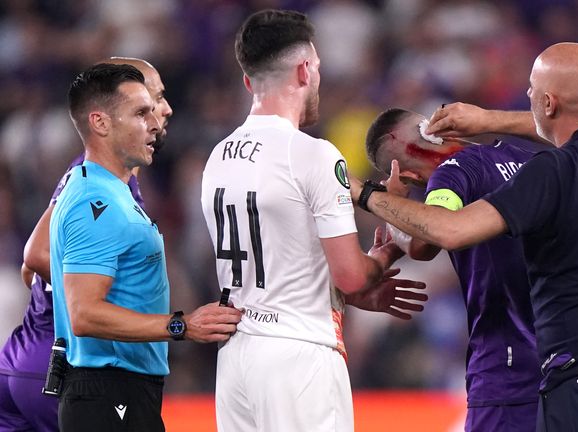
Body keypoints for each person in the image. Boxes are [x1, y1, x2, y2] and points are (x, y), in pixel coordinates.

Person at [350, 42, 578, 431]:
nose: (526, 96)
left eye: (532, 91)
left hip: (533, 373)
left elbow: (435, 234)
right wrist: (489, 119)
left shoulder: (482, 172)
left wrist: (371, 199)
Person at [200, 10, 426, 432]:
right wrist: (388, 248)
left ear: (249, 81)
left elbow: (279, 255)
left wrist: (341, 293)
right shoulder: (314, 155)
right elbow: (353, 276)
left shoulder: (217, 158)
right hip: (300, 355)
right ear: (306, 70)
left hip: (236, 359)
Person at [49, 63, 243, 432]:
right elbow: (84, 314)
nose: (154, 123)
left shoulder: (103, 189)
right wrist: (181, 326)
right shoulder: (97, 204)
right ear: (100, 123)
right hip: (108, 392)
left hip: (119, 392)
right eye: (141, 113)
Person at [0, 57, 172, 432]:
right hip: (61, 361)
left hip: (30, 358)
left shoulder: (112, 179)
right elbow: (35, 256)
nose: (165, 110)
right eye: (152, 100)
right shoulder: (95, 180)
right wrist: (93, 292)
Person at [365, 107, 542, 431]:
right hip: (564, 358)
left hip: (506, 367)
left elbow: (425, 242)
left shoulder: (452, 172)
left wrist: (393, 204)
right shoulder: (526, 157)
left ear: (410, 176)